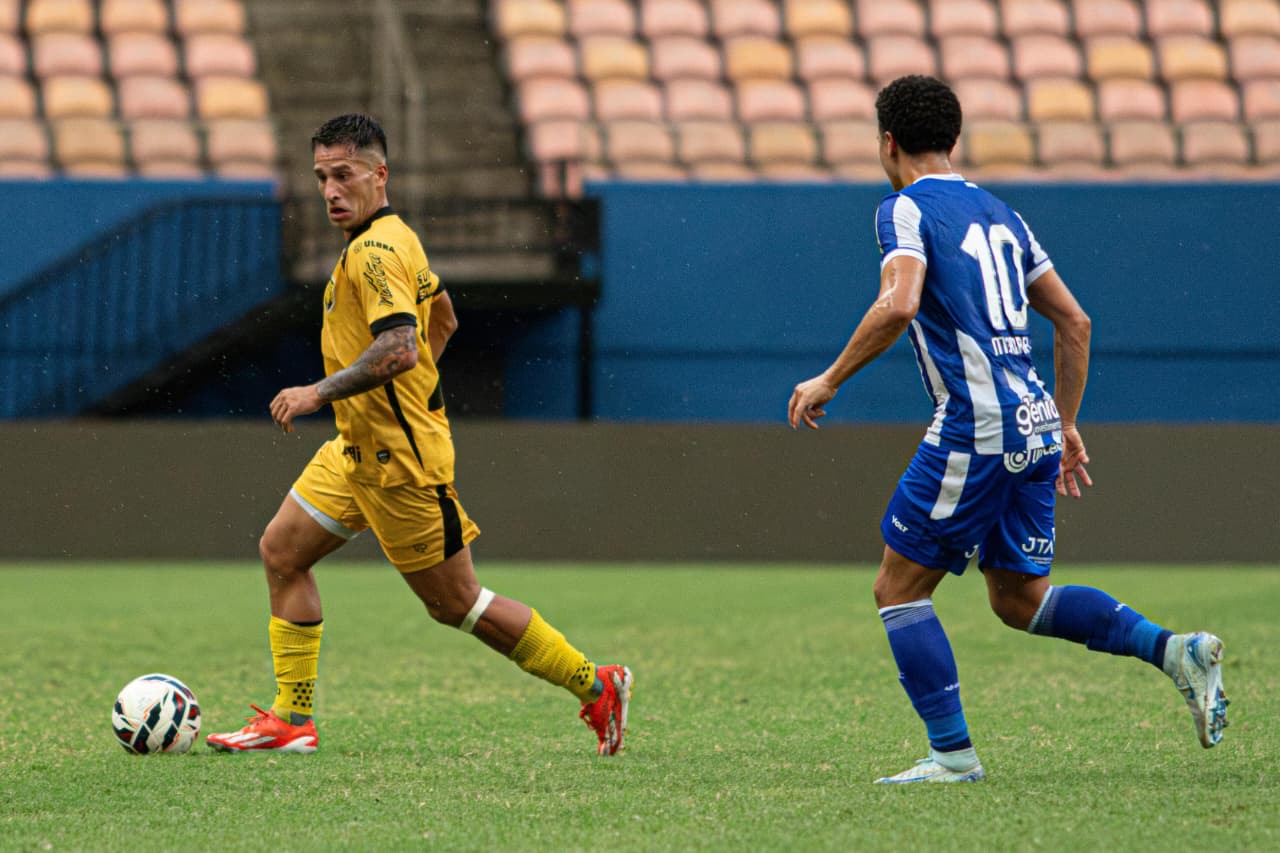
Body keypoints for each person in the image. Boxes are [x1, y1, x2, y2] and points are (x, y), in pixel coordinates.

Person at [787, 76, 1228, 784]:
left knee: (897, 587)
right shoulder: (1002, 214)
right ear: (954, 140)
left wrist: (830, 377)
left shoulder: (902, 209)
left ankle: (953, 756)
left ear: (887, 142)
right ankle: (1177, 650)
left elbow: (899, 303)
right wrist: (1065, 418)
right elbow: (1075, 322)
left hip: (977, 425)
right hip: (1031, 424)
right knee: (1018, 598)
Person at [206, 114, 632, 756]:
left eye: (344, 175)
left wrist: (317, 392)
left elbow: (402, 346)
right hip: (357, 453)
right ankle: (292, 721)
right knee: (282, 552)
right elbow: (445, 318)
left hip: (400, 464)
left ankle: (595, 684)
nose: (330, 190)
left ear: (380, 175)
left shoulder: (375, 252)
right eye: (321, 176)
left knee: (458, 604)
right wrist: (404, 395)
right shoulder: (395, 237)